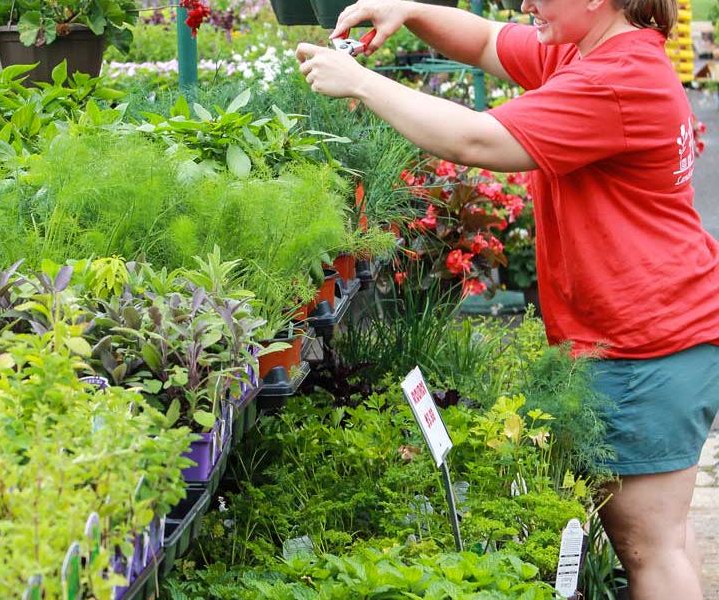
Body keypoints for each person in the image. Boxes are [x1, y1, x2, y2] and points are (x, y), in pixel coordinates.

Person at [296, 1, 719, 598]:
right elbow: (490, 41)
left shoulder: (613, 80)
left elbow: (475, 139)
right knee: (663, 540)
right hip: (650, 332)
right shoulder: (589, 48)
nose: (525, 3)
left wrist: (362, 84)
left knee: (649, 547)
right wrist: (411, 10)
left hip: (649, 343)